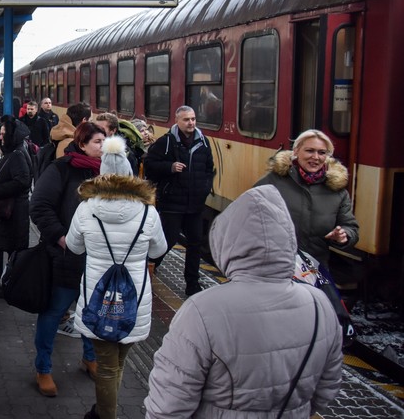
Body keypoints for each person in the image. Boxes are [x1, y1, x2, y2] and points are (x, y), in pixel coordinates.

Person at [144, 185, 344, 418]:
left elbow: (169, 405)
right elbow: (326, 391)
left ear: (227, 242)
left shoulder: (201, 310)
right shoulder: (320, 304)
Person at [66, 136, 167, 419]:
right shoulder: (148, 211)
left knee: (108, 367)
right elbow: (159, 249)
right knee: (118, 363)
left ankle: (104, 414)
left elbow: (74, 247)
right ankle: (102, 410)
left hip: (97, 297)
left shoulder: (87, 208)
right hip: (134, 299)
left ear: (101, 173)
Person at [29, 123, 105, 397]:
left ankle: (90, 358)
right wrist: (62, 238)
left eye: (104, 141)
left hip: (98, 259)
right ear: (82, 144)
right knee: (53, 311)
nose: (103, 146)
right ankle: (43, 368)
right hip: (64, 257)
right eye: (98, 141)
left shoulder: (109, 172)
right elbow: (39, 206)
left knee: (91, 311)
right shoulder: (61, 169)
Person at [253, 129, 359, 266]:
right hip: (273, 267)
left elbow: (350, 227)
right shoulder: (273, 181)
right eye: (310, 151)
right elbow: (246, 213)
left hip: (314, 270)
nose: (315, 157)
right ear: (296, 152)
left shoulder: (337, 192)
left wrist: (344, 235)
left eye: (322, 153)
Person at [143, 105, 215, 296]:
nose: (191, 123)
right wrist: (170, 167)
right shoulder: (166, 142)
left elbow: (210, 168)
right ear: (177, 121)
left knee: (195, 243)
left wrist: (205, 188)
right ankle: (148, 268)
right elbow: (149, 165)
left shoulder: (203, 142)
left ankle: (192, 284)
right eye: (186, 119)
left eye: (193, 119)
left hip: (195, 204)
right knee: (167, 240)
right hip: (172, 203)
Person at [0, 115, 32, 253]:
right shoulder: (14, 152)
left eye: (3, 134)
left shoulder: (17, 155)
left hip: (13, 214)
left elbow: (22, 182)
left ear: (12, 136)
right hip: (12, 213)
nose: (0, 138)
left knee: (14, 253)